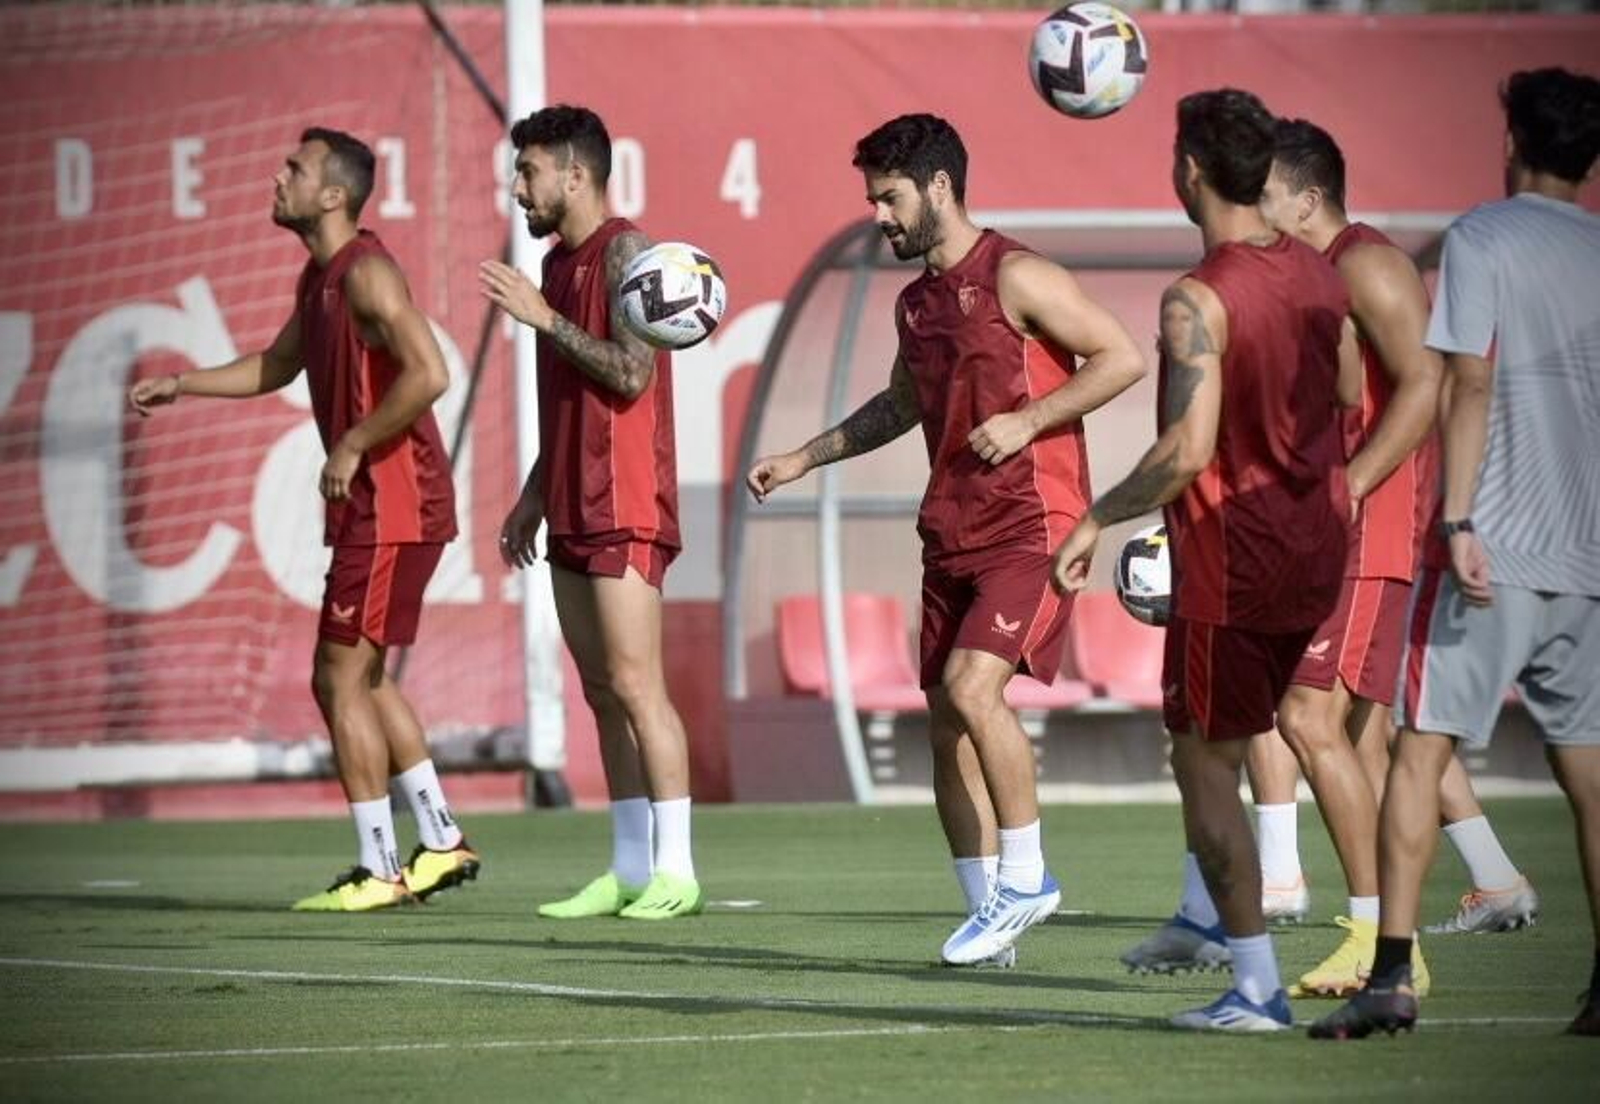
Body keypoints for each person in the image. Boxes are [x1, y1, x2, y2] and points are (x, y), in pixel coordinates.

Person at [747, 113, 1144, 966]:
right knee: (945, 727)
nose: (879, 215)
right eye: (871, 200)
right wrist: (802, 459)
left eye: (888, 198)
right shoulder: (915, 303)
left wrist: (1030, 417)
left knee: (972, 689)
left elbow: (1120, 357)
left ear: (937, 186)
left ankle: (1029, 881)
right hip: (951, 532)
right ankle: (986, 915)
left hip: (1030, 528)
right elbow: (900, 405)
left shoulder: (1019, 274)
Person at [1053, 88, 1358, 1031]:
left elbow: (1186, 452)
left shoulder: (1199, 296)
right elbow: (1348, 390)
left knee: (1203, 764)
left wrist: (1095, 517)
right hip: (1318, 548)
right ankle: (1380, 947)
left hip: (1232, 562)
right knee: (1298, 738)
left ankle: (1256, 983)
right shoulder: (1317, 275)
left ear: (1189, 169)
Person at [1312, 67, 1600, 1041]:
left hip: (1497, 548)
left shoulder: (1482, 236)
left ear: (1512, 139)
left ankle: (1390, 976)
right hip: (1588, 555)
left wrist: (1463, 519)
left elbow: (1464, 381)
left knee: (1412, 748)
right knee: (1589, 775)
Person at [128, 128, 478, 911]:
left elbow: (431, 372)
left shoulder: (367, 273)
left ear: (333, 195)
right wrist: (182, 385)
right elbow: (276, 366)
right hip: (378, 509)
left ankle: (381, 868)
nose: (278, 176)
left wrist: (353, 442)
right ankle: (444, 842)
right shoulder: (318, 277)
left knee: (335, 678)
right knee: (365, 677)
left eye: (296, 168)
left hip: (393, 505)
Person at [479, 105, 701, 920]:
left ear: (574, 174)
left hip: (626, 502)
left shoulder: (628, 253)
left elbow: (632, 374)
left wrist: (544, 320)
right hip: (571, 503)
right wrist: (534, 497)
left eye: (528, 170)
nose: (517, 187)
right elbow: (573, 397)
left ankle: (679, 872)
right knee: (603, 692)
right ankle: (629, 867)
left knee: (641, 687)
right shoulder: (558, 264)